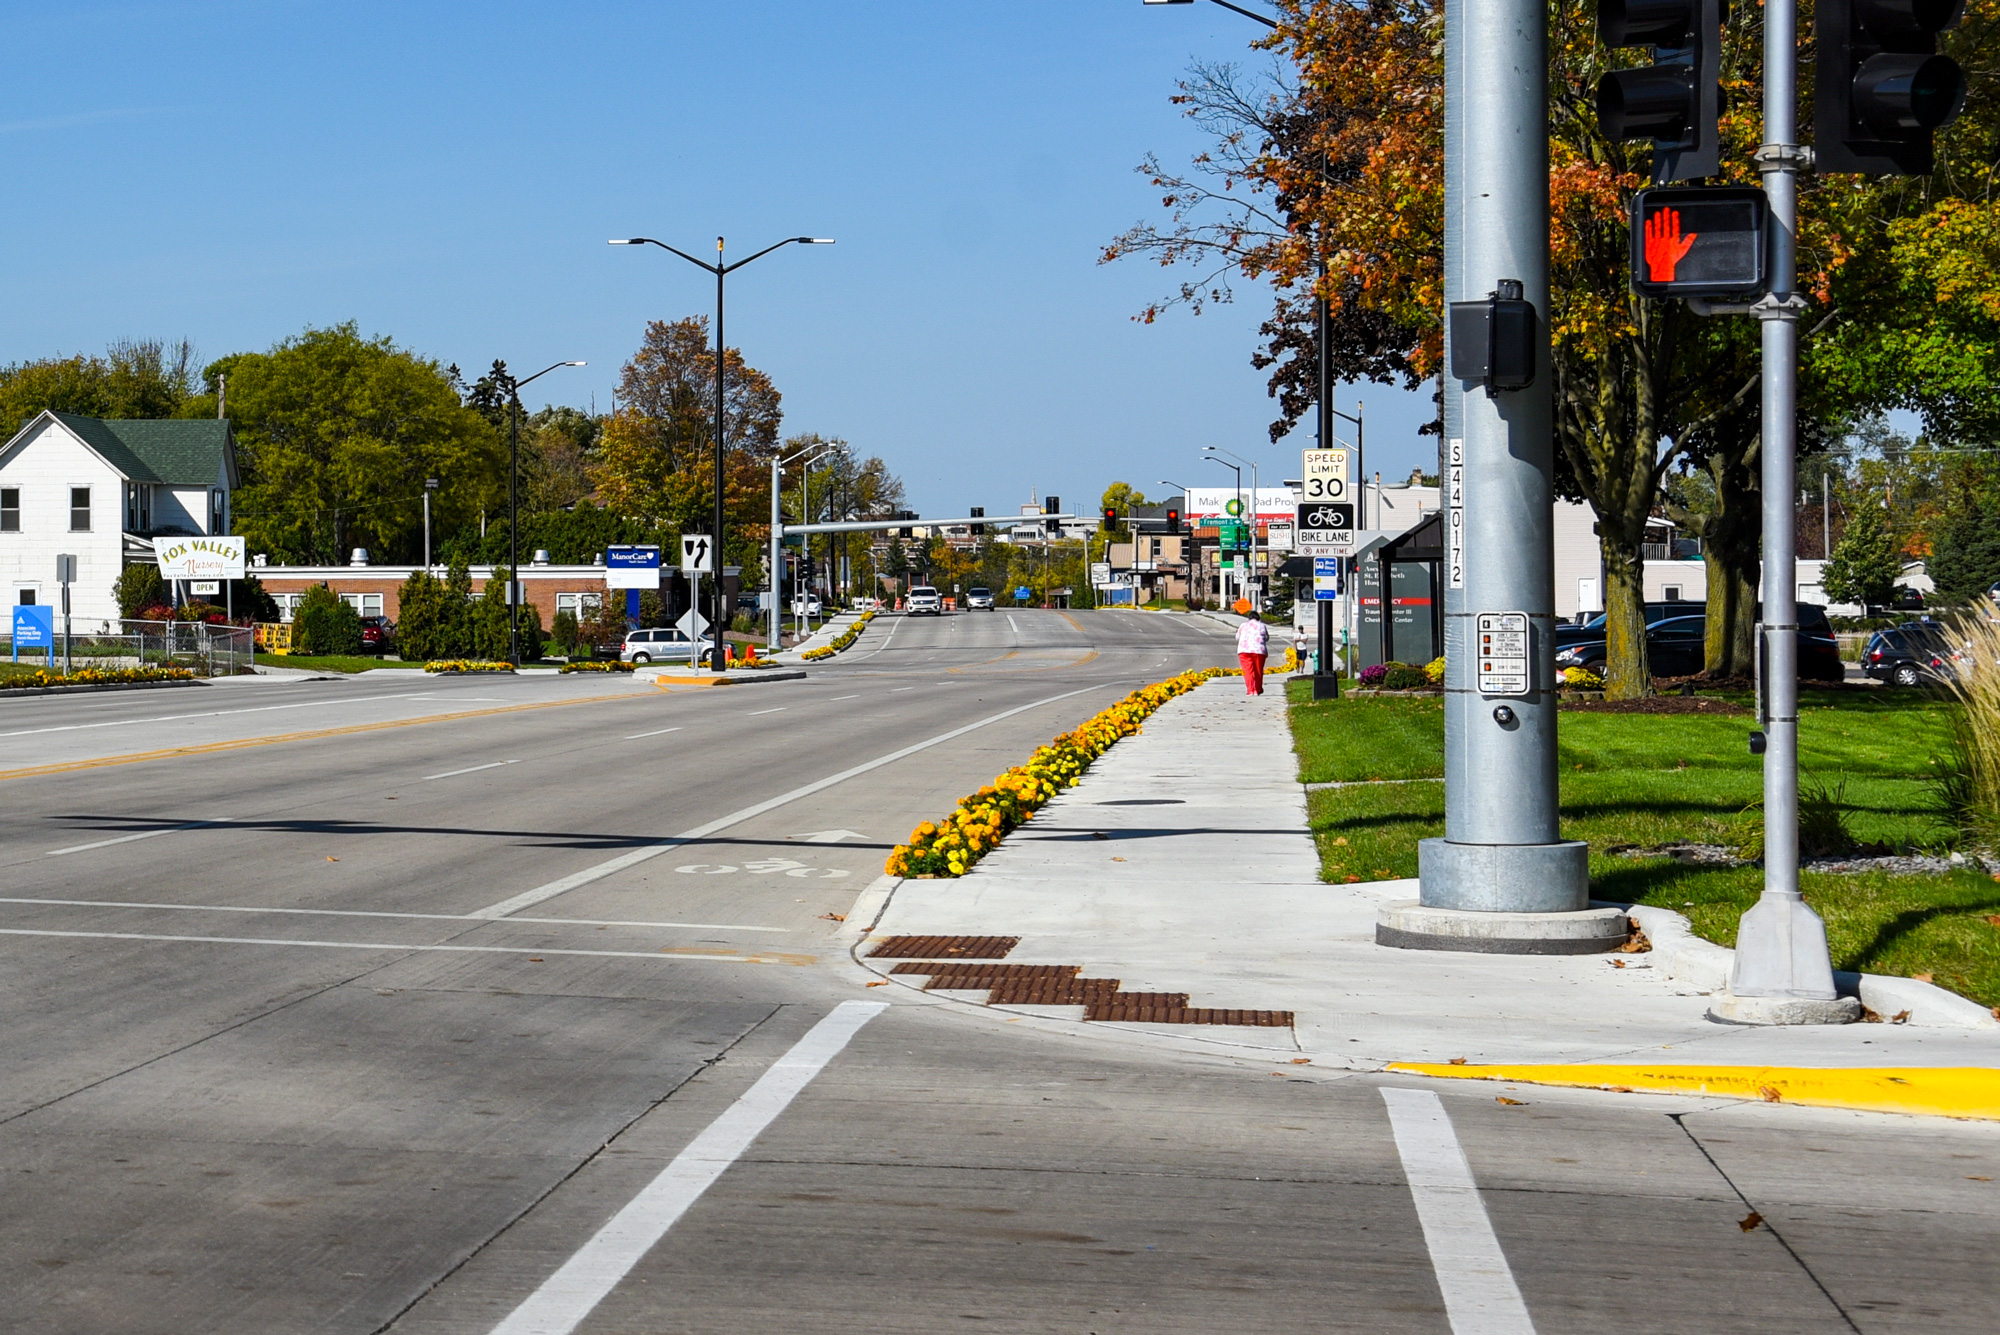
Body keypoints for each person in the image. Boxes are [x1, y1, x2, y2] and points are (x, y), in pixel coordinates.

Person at [1236, 612, 1269, 696]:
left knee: (1248, 671)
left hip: (1244, 650)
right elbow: (1266, 637)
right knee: (1258, 671)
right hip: (1259, 650)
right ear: (1258, 618)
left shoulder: (1243, 625)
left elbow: (1237, 637)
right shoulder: (1262, 625)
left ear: (1249, 618)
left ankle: (1250, 690)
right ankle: (1258, 689)